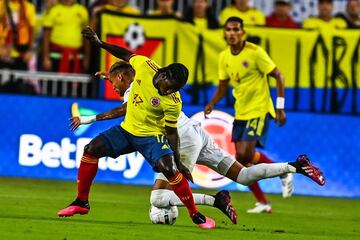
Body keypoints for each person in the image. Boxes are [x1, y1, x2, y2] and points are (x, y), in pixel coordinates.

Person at [71, 62, 325, 222]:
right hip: (196, 132)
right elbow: (124, 74)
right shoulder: (146, 76)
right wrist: (109, 74)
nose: (112, 87)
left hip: (183, 138)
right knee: (245, 175)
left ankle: (216, 201)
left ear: (124, 77)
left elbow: (125, 107)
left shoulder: (135, 88)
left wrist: (90, 118)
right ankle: (295, 166)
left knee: (159, 199)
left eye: (113, 81)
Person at [57, 26, 216, 229]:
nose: (171, 91)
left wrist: (178, 161)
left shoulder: (173, 102)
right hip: (127, 131)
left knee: (170, 169)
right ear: (163, 74)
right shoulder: (146, 66)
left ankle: (195, 214)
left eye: (176, 89)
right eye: (171, 85)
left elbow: (171, 132)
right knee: (91, 149)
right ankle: (81, 202)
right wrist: (99, 43)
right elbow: (124, 54)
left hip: (152, 136)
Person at [204, 16, 290, 214]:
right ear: (224, 33)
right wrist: (212, 103)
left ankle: (285, 171)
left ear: (242, 32)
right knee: (244, 160)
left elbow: (279, 76)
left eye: (236, 30)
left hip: (259, 108)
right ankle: (263, 201)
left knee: (245, 155)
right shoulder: (224, 56)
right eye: (229, 30)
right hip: (241, 111)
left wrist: (280, 107)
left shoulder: (255, 52)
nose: (232, 33)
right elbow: (223, 85)